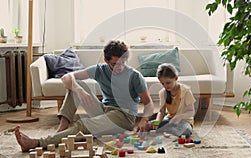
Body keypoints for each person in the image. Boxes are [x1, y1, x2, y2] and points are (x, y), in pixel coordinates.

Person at [15, 40, 154, 152]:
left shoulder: (135, 77)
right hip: (104, 109)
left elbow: (148, 103)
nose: (120, 67)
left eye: (123, 63)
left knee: (82, 125)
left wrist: (144, 120)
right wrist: (79, 90)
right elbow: (67, 78)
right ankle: (62, 128)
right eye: (115, 64)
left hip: (124, 116)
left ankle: (37, 142)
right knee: (77, 84)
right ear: (106, 61)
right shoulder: (100, 70)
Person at [152, 63, 195, 138]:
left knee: (186, 130)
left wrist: (179, 117)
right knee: (152, 126)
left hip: (184, 121)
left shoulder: (186, 91)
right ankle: (169, 131)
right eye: (162, 83)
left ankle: (168, 131)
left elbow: (191, 112)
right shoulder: (163, 93)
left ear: (176, 78)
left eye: (168, 83)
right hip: (170, 120)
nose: (165, 86)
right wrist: (157, 122)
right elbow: (161, 112)